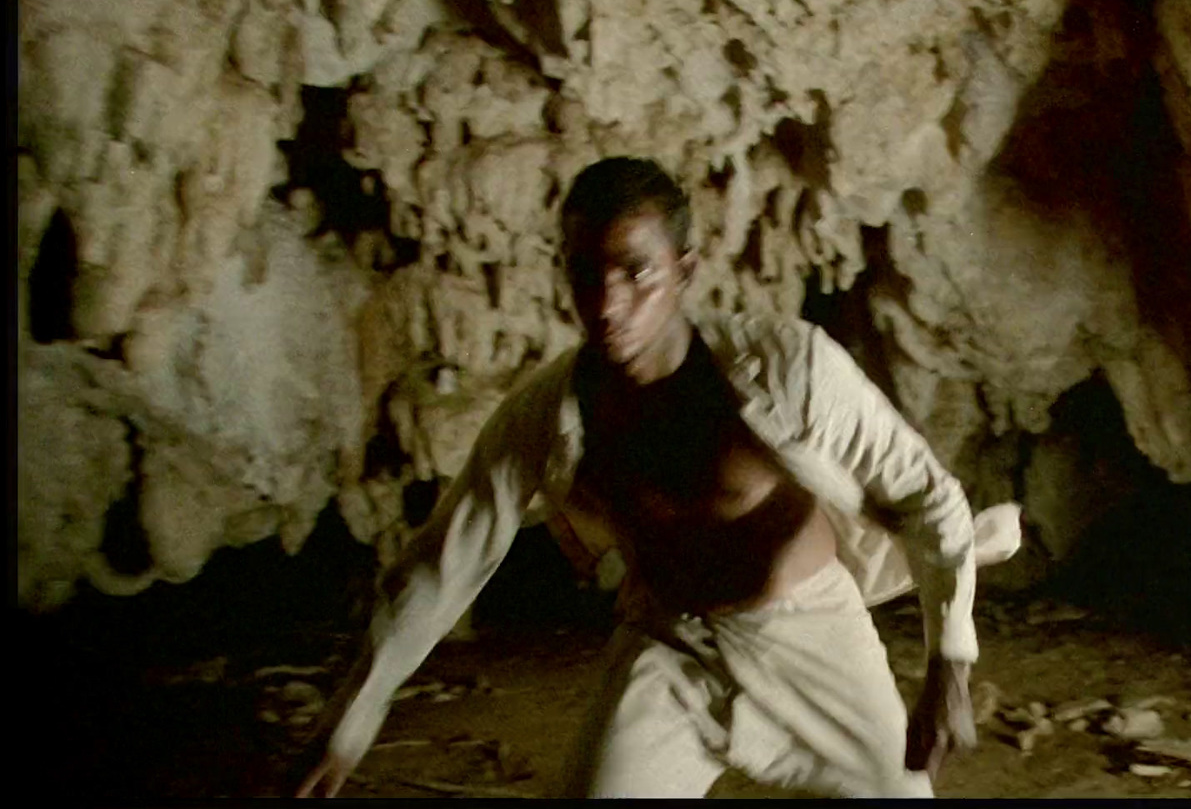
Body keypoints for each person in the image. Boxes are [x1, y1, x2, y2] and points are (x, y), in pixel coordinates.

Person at [295, 157, 1021, 798]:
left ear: (684, 270)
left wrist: (949, 665)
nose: (608, 303)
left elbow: (929, 497)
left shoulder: (788, 368)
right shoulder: (549, 413)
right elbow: (445, 560)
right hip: (670, 640)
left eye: (636, 271)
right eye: (587, 273)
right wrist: (353, 718)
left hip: (810, 634)